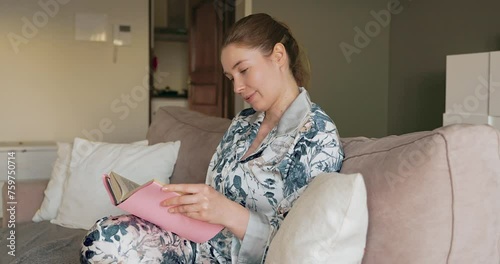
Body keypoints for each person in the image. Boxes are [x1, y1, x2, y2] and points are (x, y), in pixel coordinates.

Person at [80, 13, 344, 264]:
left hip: (238, 257)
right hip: (195, 240)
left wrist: (228, 213)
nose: (237, 87)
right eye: (231, 77)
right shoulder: (242, 123)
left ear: (277, 56)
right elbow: (214, 194)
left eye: (244, 70)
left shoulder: (317, 136)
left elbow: (299, 243)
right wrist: (179, 202)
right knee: (103, 236)